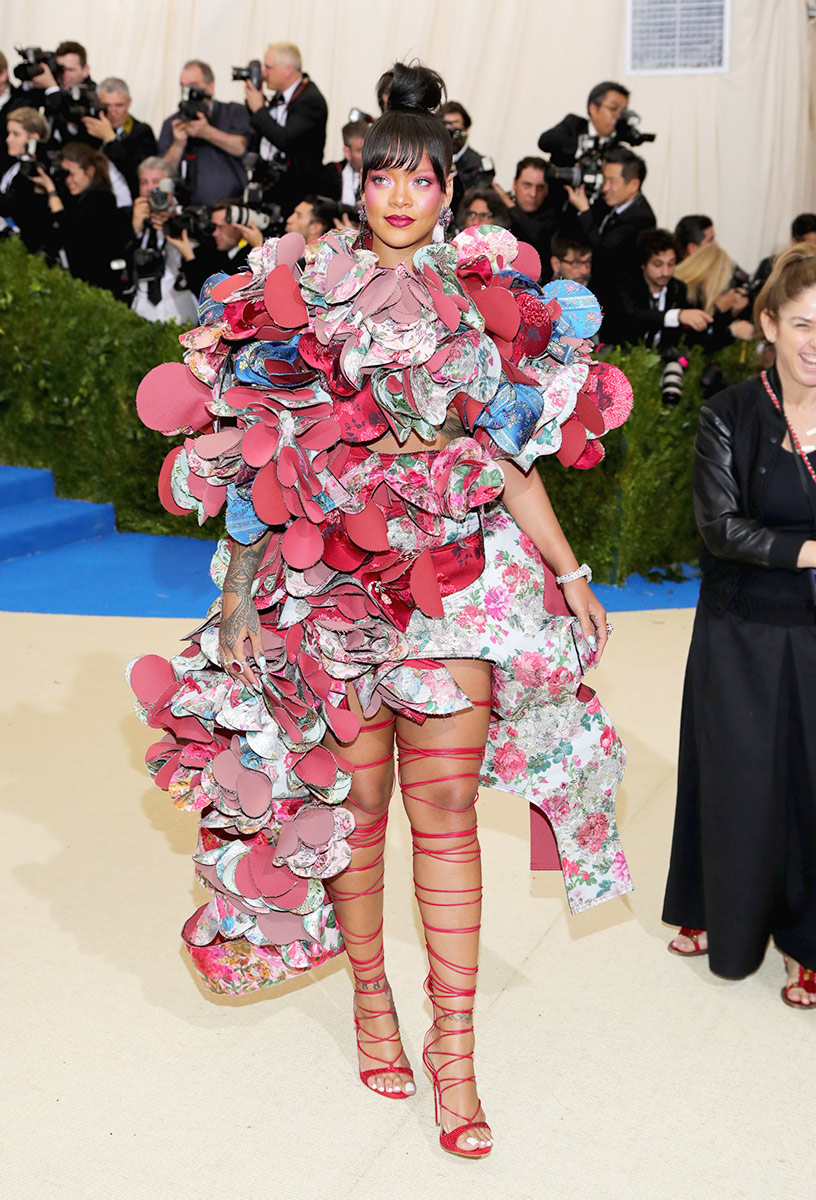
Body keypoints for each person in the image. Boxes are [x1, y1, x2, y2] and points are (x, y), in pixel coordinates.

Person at [129, 61, 632, 1160]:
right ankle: (370, 999)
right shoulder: (305, 294)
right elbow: (262, 458)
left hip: (459, 579)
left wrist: (571, 574)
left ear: (449, 190)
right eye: (383, 176)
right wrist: (243, 597)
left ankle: (456, 1051)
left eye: (423, 178)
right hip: (337, 588)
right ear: (360, 184)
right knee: (357, 811)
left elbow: (508, 456)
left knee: (443, 807)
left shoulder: (482, 299)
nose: (401, 195)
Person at [663, 243, 816, 1009]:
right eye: (803, 324)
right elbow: (720, 528)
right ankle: (716, 909)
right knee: (736, 779)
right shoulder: (729, 412)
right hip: (741, 625)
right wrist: (809, 551)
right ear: (770, 324)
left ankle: (808, 942)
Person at [566, 146, 656, 333]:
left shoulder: (641, 217)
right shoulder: (612, 204)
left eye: (612, 181)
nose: (605, 187)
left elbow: (604, 250)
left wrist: (584, 210)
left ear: (633, 185)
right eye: (604, 179)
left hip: (621, 310)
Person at [243, 41, 327, 218]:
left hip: (294, 195)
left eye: (268, 67)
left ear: (288, 70)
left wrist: (259, 110)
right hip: (268, 188)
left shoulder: (310, 100)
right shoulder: (280, 97)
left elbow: (286, 139)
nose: (263, 73)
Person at [32, 140, 125, 294]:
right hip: (77, 284)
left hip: (96, 286)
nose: (68, 180)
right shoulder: (75, 198)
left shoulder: (102, 199)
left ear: (90, 171)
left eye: (72, 174)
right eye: (65, 175)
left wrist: (52, 193)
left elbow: (71, 234)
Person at [158, 60, 249, 206]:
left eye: (193, 85)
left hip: (231, 207)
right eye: (183, 86)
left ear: (210, 87)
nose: (188, 92)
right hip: (187, 209)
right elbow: (161, 174)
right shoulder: (172, 123)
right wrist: (178, 144)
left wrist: (207, 132)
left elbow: (241, 147)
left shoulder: (233, 111)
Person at [605, 228, 711, 347]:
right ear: (643, 264)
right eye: (658, 265)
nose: (666, 272)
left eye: (671, 264)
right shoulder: (626, 284)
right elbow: (634, 316)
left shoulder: (678, 288)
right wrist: (677, 315)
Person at [128, 157, 198, 324]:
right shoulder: (130, 216)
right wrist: (134, 229)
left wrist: (174, 223)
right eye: (144, 182)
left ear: (171, 187)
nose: (150, 188)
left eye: (156, 182)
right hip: (142, 307)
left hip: (181, 303)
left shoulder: (188, 216)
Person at [83, 77, 157, 200]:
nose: (112, 112)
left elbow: (138, 173)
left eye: (119, 105)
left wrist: (110, 139)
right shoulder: (90, 129)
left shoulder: (141, 131)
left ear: (129, 103)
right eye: (106, 105)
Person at [166, 197, 257, 296]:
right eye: (214, 226)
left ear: (240, 227)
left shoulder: (251, 262)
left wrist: (189, 257)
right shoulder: (212, 246)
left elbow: (210, 297)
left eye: (221, 227)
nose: (215, 233)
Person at [674, 242, 755, 349]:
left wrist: (730, 313)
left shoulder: (692, 292)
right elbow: (696, 343)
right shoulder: (683, 294)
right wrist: (730, 329)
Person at [538, 80, 630, 167]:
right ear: (593, 109)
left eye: (623, 112)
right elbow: (545, 141)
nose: (618, 116)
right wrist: (585, 151)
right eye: (613, 108)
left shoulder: (618, 142)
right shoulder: (574, 124)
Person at [0, 107, 52, 252]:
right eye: (9, 133)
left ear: (34, 139)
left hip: (23, 248)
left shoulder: (38, 172)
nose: (8, 139)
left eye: (15, 134)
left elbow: (10, 205)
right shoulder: (11, 162)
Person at [493, 155, 559, 268]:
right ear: (515, 183)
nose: (533, 194)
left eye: (540, 187)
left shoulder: (553, 214)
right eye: (527, 185)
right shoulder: (498, 208)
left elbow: (538, 236)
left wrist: (507, 202)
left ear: (547, 189)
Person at [439, 101, 494, 213]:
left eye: (454, 125)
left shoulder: (480, 164)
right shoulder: (431, 158)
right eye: (445, 125)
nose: (450, 131)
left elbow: (472, 202)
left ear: (466, 128)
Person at [321, 119, 367, 206]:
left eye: (369, 149)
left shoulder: (379, 176)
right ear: (347, 152)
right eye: (360, 151)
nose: (366, 155)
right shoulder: (331, 173)